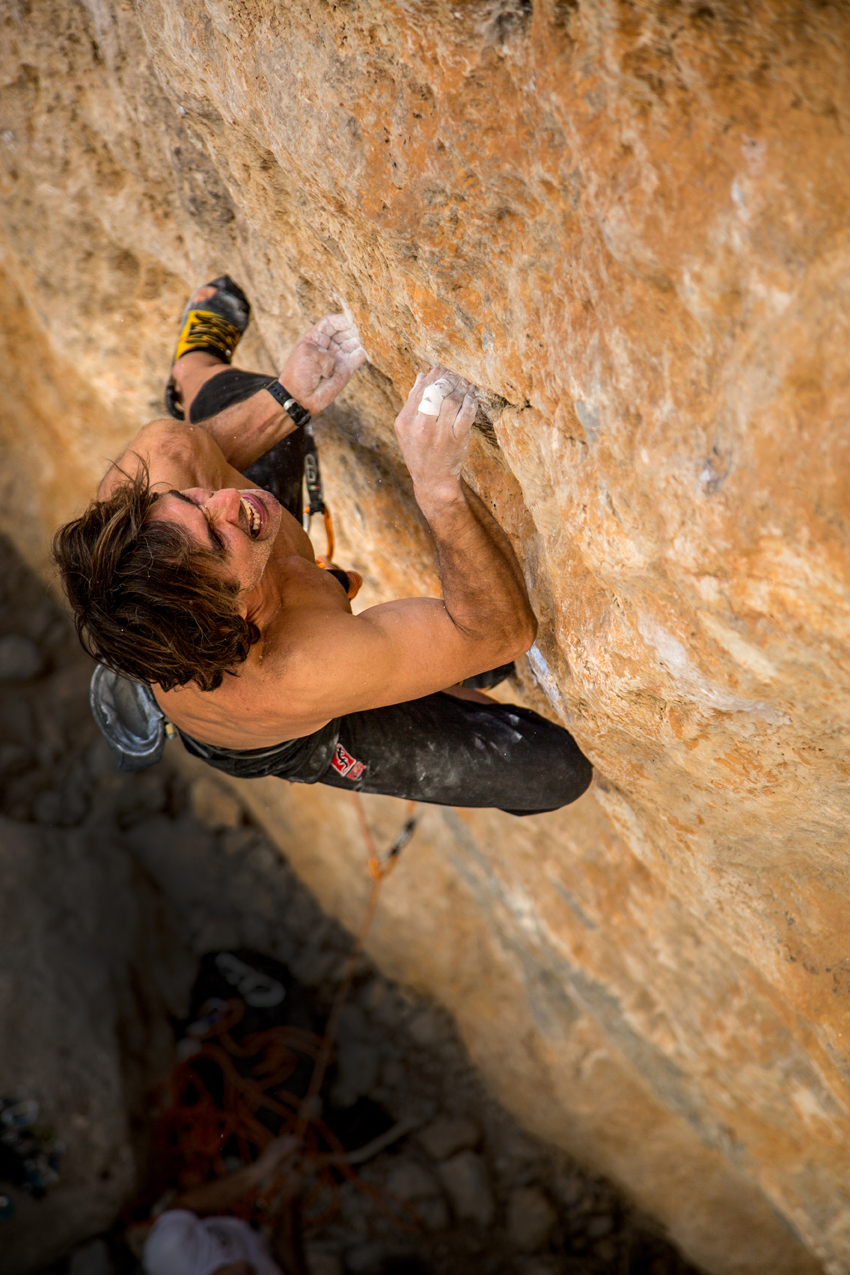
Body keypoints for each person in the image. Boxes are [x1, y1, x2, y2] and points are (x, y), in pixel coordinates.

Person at [54, 277, 592, 815]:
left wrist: (290, 397)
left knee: (234, 402)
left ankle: (191, 367)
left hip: (189, 620)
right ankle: (422, 680)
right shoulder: (302, 665)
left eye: (191, 499)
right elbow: (502, 633)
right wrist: (439, 490)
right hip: (275, 716)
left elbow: (197, 456)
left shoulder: (154, 477)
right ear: (232, 613)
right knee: (550, 769)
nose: (229, 500)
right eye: (219, 539)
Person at [143, 1135, 306, 1275]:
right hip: (258, 1235)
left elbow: (185, 1204)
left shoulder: (170, 1254)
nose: (243, 1267)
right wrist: (289, 1199)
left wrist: (261, 1169)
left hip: (215, 1217)